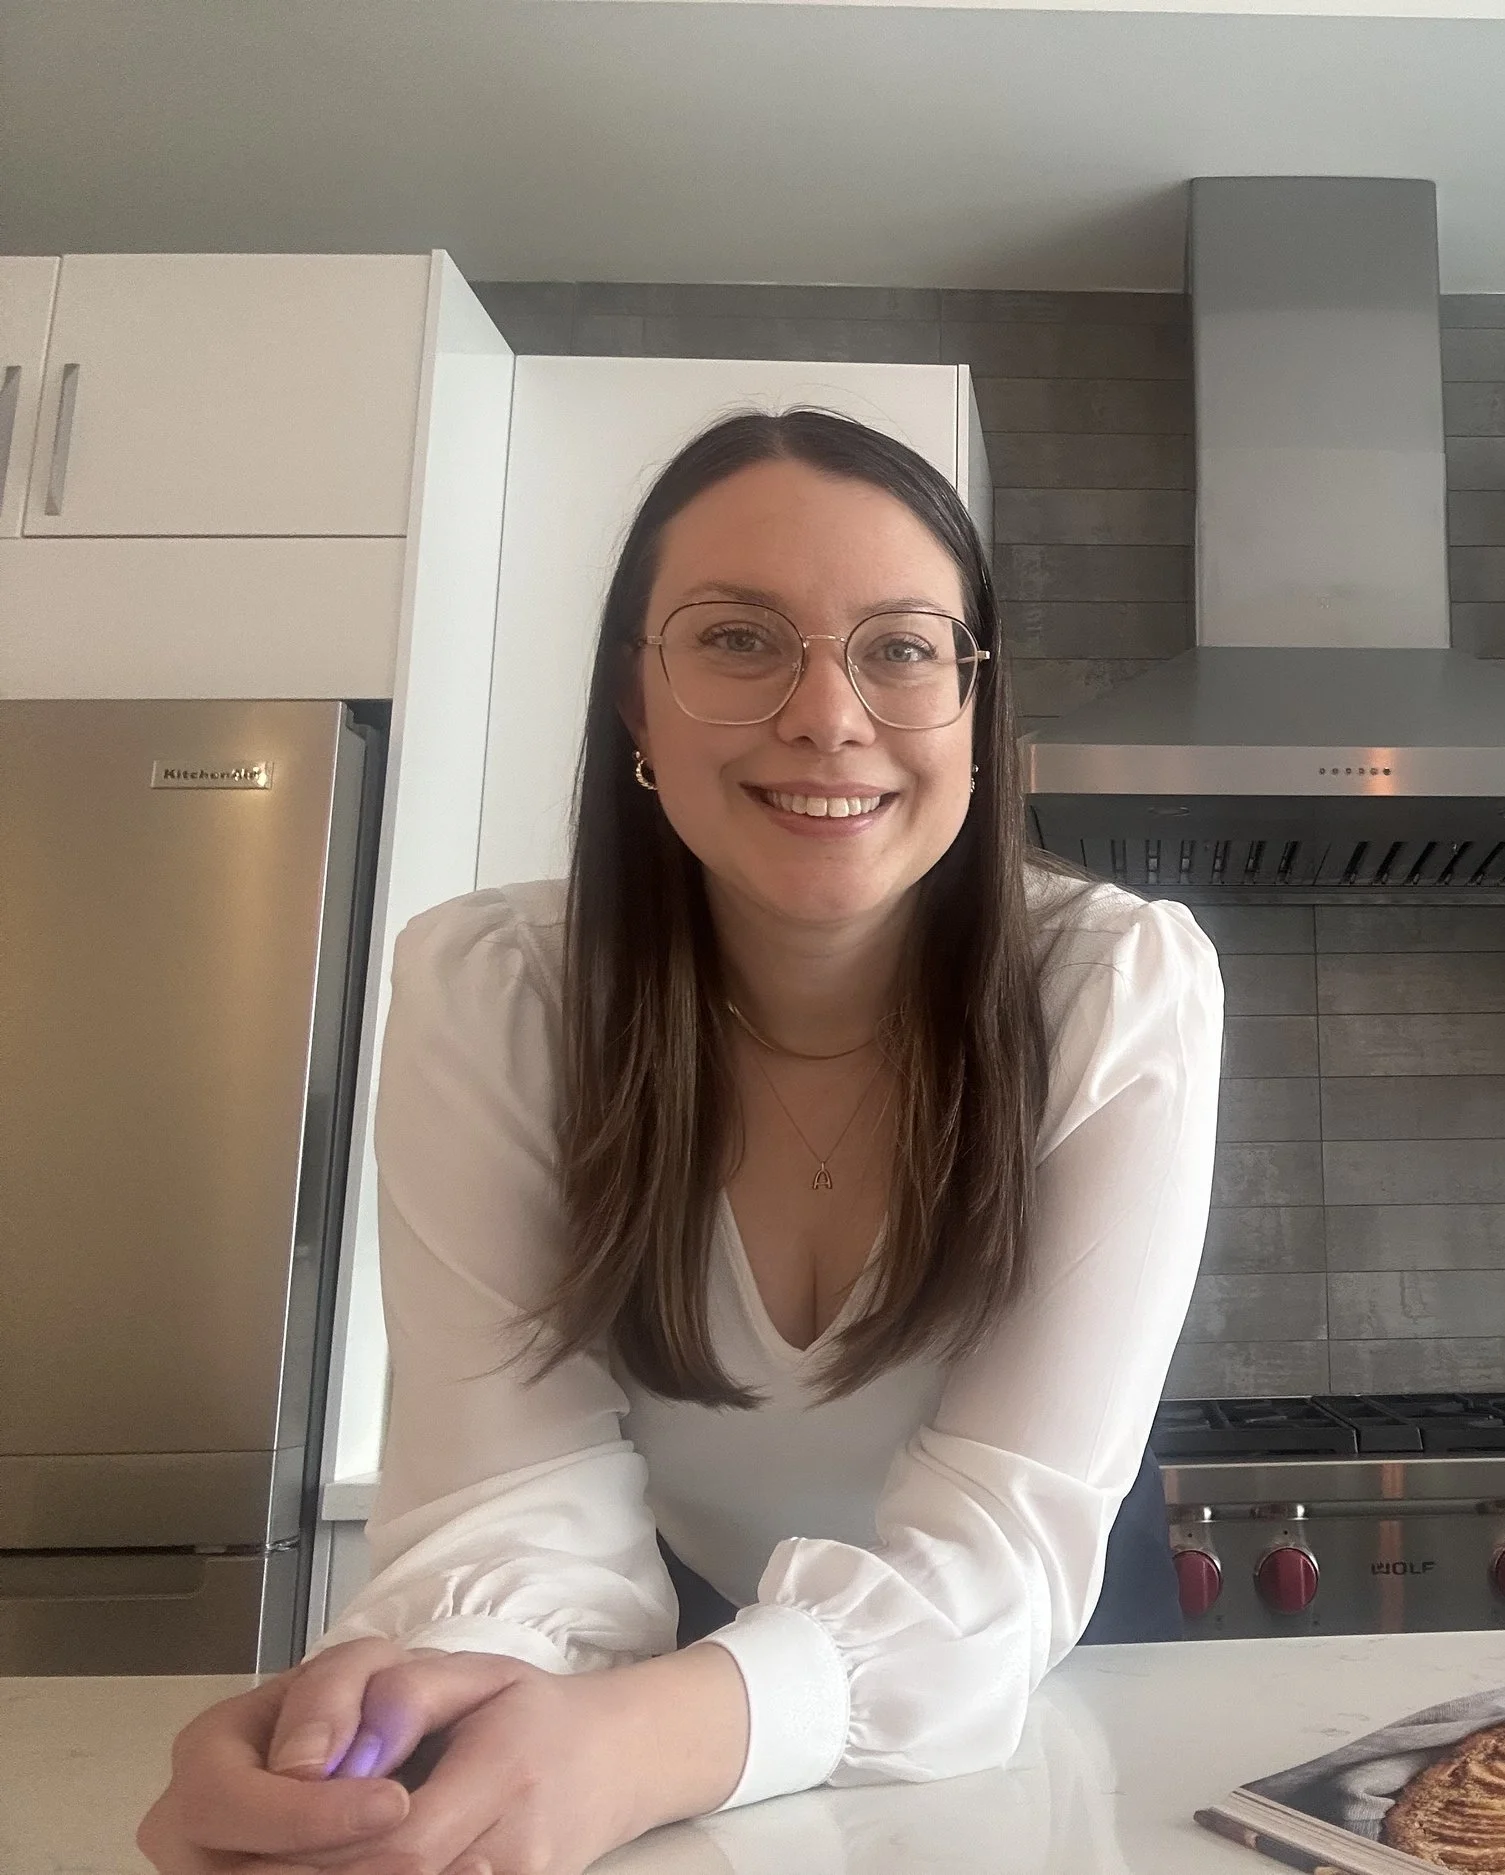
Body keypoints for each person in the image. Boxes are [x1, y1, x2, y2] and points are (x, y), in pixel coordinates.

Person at [138, 409, 1223, 1875]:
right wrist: (392, 1727)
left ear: (975, 709)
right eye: (737, 639)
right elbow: (510, 1498)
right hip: (667, 1662)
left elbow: (998, 1553)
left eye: (904, 648)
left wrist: (640, 1743)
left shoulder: (1115, 988)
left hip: (1037, 1679)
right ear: (634, 707)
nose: (829, 715)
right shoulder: (499, 995)